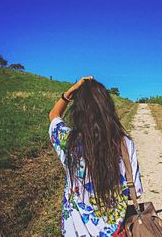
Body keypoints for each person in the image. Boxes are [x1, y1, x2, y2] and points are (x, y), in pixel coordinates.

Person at [48, 76, 143, 237]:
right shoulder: (125, 144)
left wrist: (70, 92)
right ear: (108, 107)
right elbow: (136, 192)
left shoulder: (69, 142)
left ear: (78, 111)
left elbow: (54, 115)